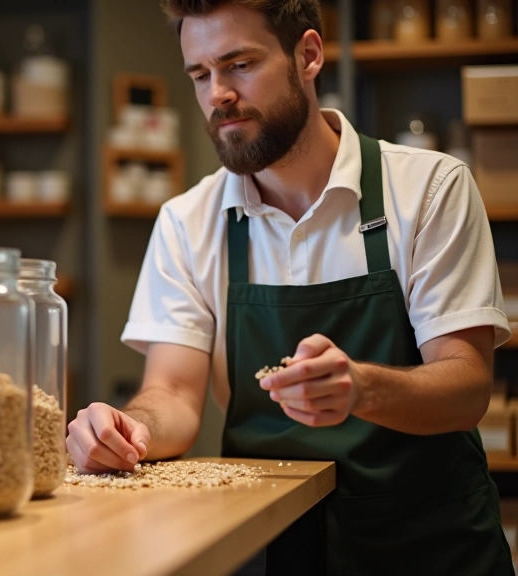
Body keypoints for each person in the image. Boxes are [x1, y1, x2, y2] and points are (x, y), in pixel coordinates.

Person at [66, 1, 515, 574]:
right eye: (200, 74)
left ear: (308, 55)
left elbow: (467, 387)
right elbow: (173, 393)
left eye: (239, 65)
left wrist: (362, 387)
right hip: (275, 547)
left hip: (430, 547)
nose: (218, 94)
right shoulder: (187, 221)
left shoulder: (429, 188)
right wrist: (130, 430)